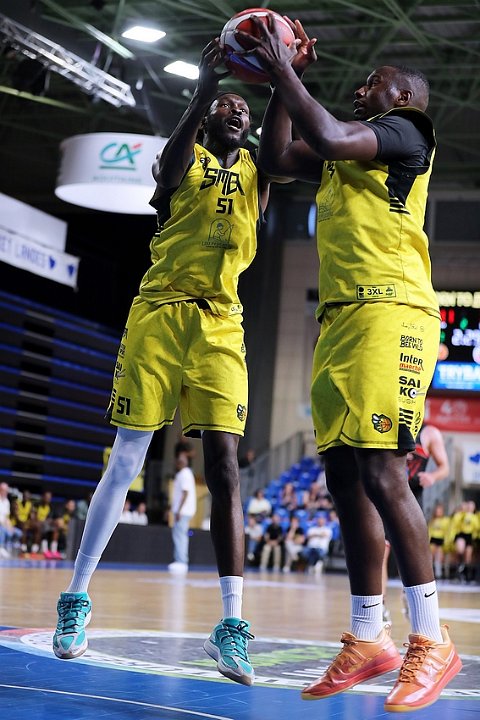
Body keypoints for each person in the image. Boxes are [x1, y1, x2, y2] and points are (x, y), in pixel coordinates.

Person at [244, 15, 462, 711]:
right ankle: (370, 638)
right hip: (341, 321)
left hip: (392, 312)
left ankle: (432, 638)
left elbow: (334, 135)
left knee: (383, 472)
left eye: (375, 83)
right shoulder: (346, 155)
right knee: (343, 478)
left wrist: (282, 67)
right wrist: (283, 83)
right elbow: (278, 157)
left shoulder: (407, 133)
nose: (363, 89)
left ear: (404, 97)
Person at [52, 37, 283, 688]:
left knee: (226, 468)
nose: (237, 111)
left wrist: (279, 77)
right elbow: (167, 170)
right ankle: (76, 598)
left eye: (243, 108)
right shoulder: (185, 156)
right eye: (226, 106)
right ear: (207, 117)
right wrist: (207, 87)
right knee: (128, 457)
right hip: (159, 312)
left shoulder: (259, 173)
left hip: (221, 323)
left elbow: (278, 145)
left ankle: (231, 624)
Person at [168, 449, 197, 573]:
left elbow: (185, 493)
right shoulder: (183, 474)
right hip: (182, 511)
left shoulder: (185, 474)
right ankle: (180, 560)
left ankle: (181, 561)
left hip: (183, 511)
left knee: (180, 536)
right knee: (179, 535)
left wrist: (179, 510)